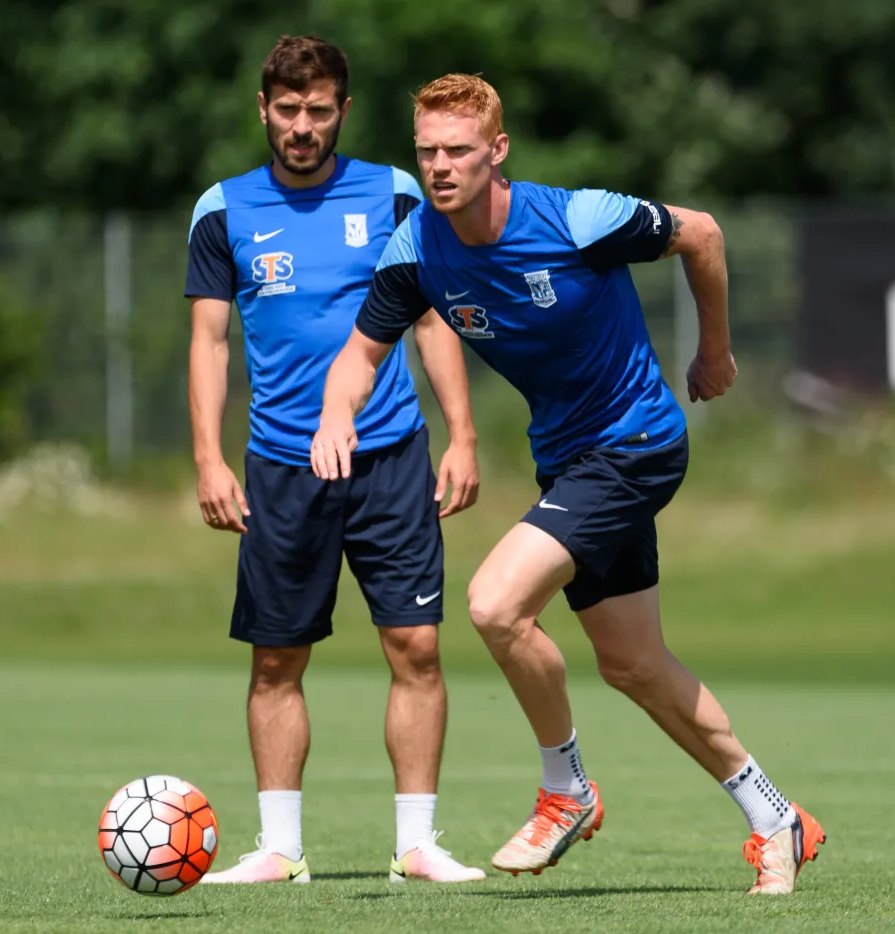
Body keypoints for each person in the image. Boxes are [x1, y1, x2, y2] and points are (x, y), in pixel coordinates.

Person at [311, 73, 827, 895]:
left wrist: (714, 351)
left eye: (459, 151)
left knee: (494, 604)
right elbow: (359, 356)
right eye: (427, 152)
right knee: (633, 665)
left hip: (637, 444)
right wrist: (336, 414)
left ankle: (567, 789)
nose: (440, 167)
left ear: (498, 152)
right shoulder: (416, 250)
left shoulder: (576, 219)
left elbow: (703, 232)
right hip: (568, 460)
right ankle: (777, 818)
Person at [183, 38, 486, 885]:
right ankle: (280, 848)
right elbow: (209, 342)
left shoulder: (394, 195)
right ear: (263, 109)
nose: (302, 127)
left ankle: (416, 846)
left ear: (343, 111)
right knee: (276, 659)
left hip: (391, 455)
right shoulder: (223, 210)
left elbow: (431, 322)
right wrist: (208, 460)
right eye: (288, 110)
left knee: (416, 646)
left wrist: (462, 435)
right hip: (282, 464)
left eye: (319, 111)